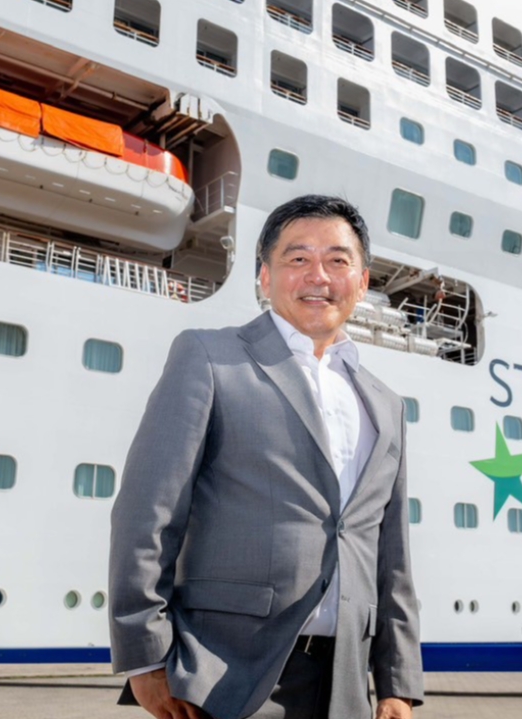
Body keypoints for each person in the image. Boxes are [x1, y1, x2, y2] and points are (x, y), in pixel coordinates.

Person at [110, 195, 424, 719]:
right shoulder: (209, 358)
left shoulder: (386, 405)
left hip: (347, 680)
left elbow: (391, 554)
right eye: (298, 258)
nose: (318, 276)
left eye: (338, 260)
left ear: (362, 281)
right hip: (225, 673)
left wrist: (397, 682)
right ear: (264, 276)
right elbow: (148, 513)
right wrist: (146, 656)